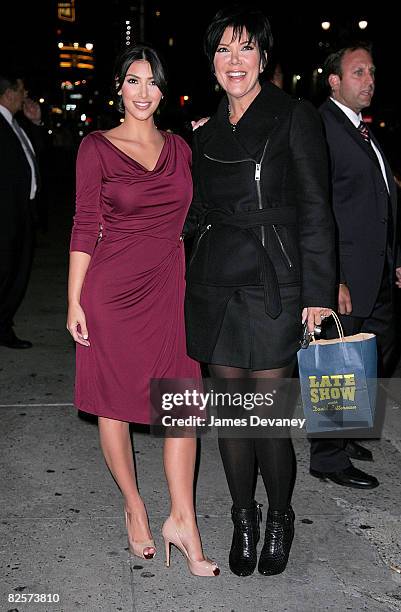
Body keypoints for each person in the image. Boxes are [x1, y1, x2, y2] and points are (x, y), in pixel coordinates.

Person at [184, 5, 335, 577]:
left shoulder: (294, 116)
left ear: (263, 58)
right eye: (223, 50)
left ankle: (280, 516)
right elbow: (194, 213)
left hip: (276, 281)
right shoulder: (205, 130)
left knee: (267, 418)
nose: (234, 60)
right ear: (213, 63)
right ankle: (242, 517)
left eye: (245, 48)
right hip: (216, 282)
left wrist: (318, 291)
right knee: (231, 418)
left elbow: (317, 212)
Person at [67, 44, 219, 577]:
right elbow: (85, 224)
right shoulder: (97, 147)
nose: (143, 92)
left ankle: (183, 519)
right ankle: (134, 505)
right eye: (133, 80)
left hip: (169, 288)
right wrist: (74, 301)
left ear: (163, 90)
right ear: (119, 86)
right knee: (113, 403)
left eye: (153, 82)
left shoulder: (183, 147)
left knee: (182, 401)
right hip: (110, 292)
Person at [309, 44, 401, 489]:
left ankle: (344, 436)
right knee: (338, 364)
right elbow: (317, 207)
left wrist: (394, 257)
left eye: (372, 71)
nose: (369, 79)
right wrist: (332, 278)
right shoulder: (322, 128)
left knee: (375, 355)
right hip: (345, 274)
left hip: (376, 269)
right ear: (334, 81)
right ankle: (327, 457)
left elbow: (382, 198)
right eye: (358, 71)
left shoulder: (362, 131)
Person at [0, 73, 42, 349]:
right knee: (5, 274)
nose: (25, 92)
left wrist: (36, 122)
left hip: (22, 212)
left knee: (17, 273)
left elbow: (37, 157)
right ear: (9, 92)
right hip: (5, 215)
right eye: (21, 87)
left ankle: (3, 326)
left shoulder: (15, 124)